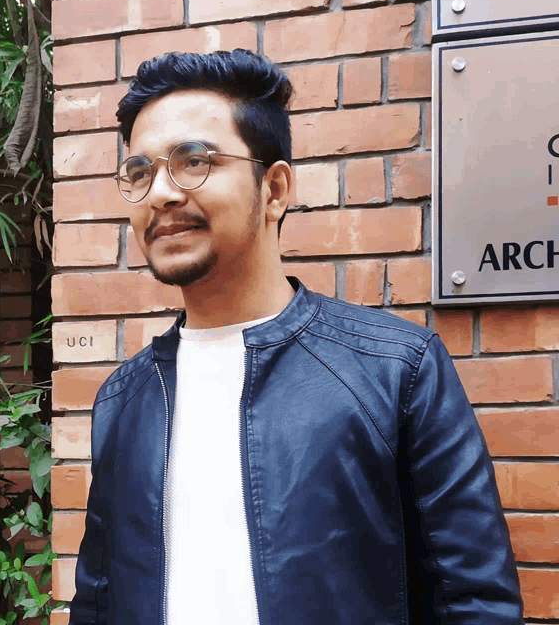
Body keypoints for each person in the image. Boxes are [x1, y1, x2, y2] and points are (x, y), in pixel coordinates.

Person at [69, 49, 524, 625]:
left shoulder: (395, 369)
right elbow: (97, 600)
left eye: (193, 161)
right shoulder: (124, 397)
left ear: (275, 189)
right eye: (140, 172)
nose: (160, 192)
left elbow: (475, 602)